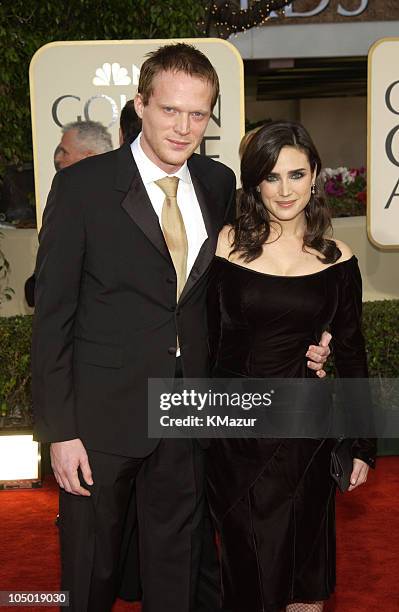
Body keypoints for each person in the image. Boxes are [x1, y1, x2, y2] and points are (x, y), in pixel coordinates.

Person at [32, 45, 330, 612]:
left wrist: (315, 335)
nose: (184, 127)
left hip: (187, 409)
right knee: (92, 571)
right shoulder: (83, 189)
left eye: (198, 114)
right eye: (170, 110)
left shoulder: (218, 184)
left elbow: (258, 275)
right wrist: (60, 431)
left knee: (178, 570)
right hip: (100, 416)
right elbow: (52, 318)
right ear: (141, 104)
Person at [206, 120, 377, 612]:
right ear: (255, 182)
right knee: (247, 566)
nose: (285, 190)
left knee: (303, 570)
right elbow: (204, 343)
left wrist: (364, 443)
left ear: (316, 175)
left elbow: (351, 353)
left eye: (296, 175)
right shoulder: (224, 246)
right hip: (236, 436)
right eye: (271, 176)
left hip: (307, 438)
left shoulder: (337, 260)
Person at [25, 121, 113, 308]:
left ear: (89, 156)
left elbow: (52, 279)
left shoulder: (69, 200)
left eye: (65, 152)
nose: (58, 159)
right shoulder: (133, 194)